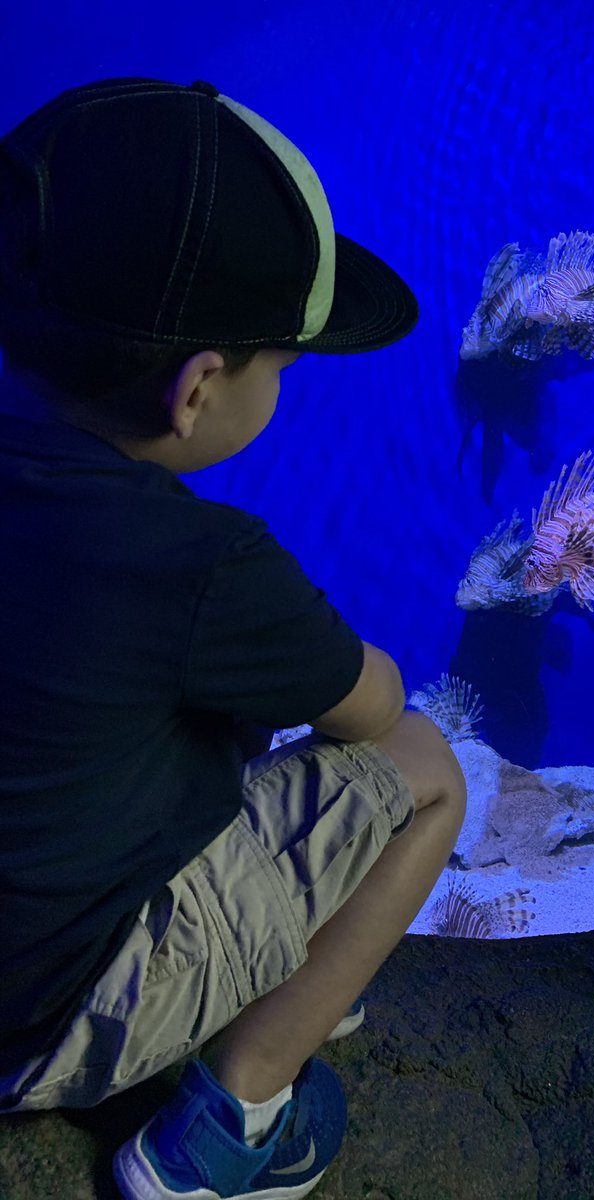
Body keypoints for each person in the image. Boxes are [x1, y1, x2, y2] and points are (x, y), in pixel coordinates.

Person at [0, 77, 466, 1200]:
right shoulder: (203, 563)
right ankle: (230, 1121)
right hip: (48, 1023)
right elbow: (369, 707)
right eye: (283, 361)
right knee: (428, 771)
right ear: (199, 388)